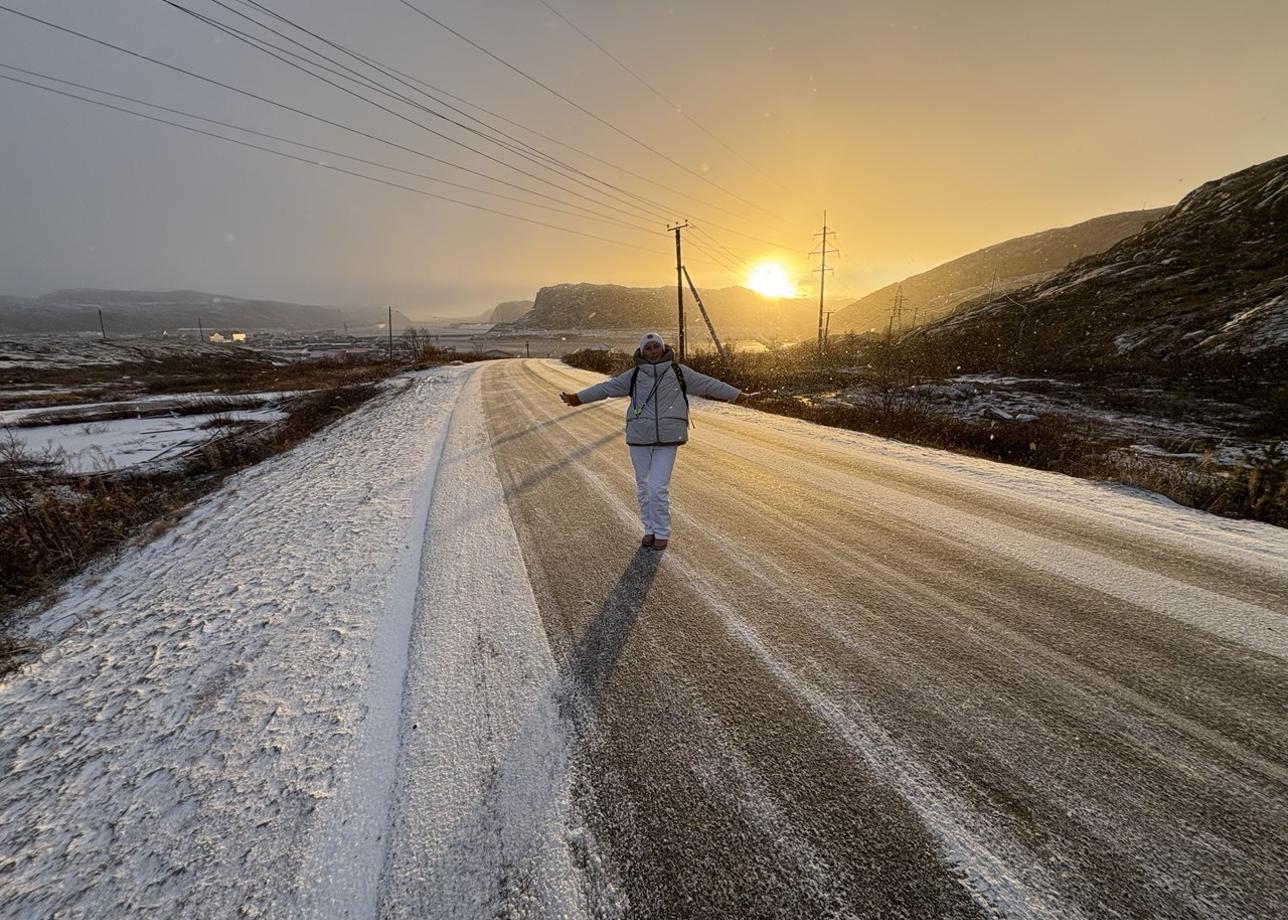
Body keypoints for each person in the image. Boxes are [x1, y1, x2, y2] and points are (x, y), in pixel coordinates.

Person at [559, 332, 754, 550]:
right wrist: (578, 398)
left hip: (668, 439)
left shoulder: (678, 372)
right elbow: (605, 389)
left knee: (657, 487)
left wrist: (738, 395)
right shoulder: (633, 375)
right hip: (639, 438)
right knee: (643, 487)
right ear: (642, 351)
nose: (652, 351)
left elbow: (708, 384)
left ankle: (662, 532)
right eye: (648, 348)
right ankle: (649, 530)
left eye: (656, 347)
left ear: (663, 348)